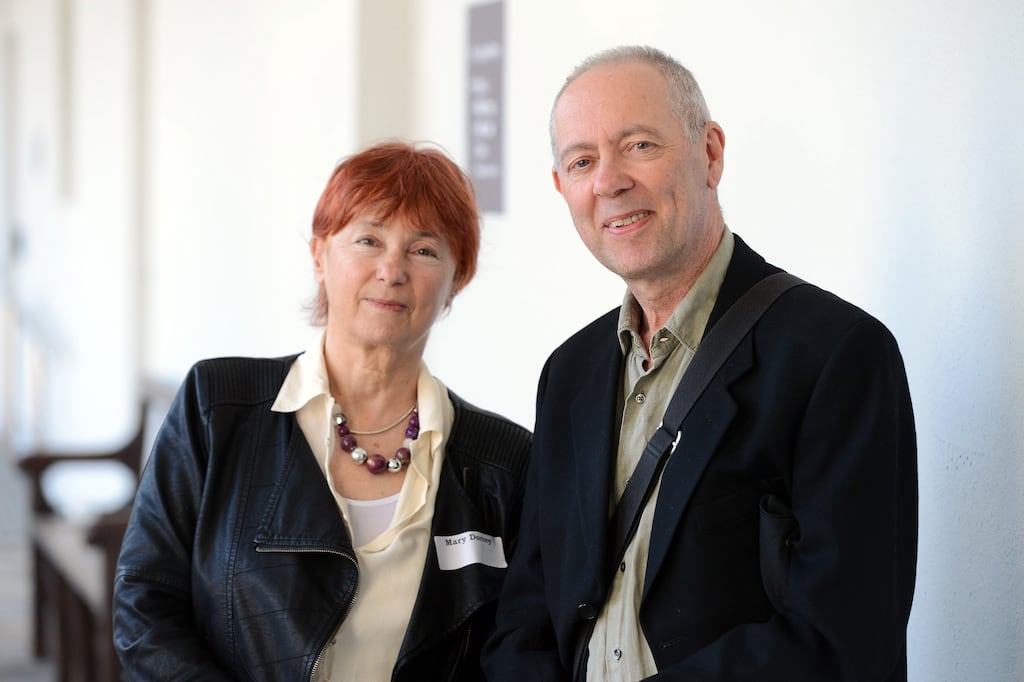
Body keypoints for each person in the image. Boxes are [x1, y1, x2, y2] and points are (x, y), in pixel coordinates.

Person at [482, 45, 917, 681]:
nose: (608, 181)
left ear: (709, 153)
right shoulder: (568, 375)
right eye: (582, 161)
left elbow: (846, 639)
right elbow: (525, 618)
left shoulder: (836, 353)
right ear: (562, 188)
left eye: (639, 145)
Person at [113, 141, 532, 681]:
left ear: (458, 277)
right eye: (368, 239)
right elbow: (144, 604)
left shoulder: (502, 463)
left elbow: (518, 644)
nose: (392, 270)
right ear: (319, 255)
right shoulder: (218, 408)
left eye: (424, 250)